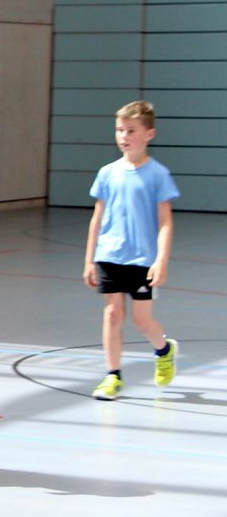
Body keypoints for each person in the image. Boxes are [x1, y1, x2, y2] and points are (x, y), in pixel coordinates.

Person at [83, 100, 180, 400]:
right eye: (120, 130)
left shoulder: (158, 174)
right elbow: (97, 217)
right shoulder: (107, 173)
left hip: (142, 259)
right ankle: (113, 375)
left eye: (131, 130)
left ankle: (164, 349)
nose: (123, 136)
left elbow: (165, 222)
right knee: (113, 313)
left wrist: (161, 261)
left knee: (142, 321)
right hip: (109, 255)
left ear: (149, 134)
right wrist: (89, 259)